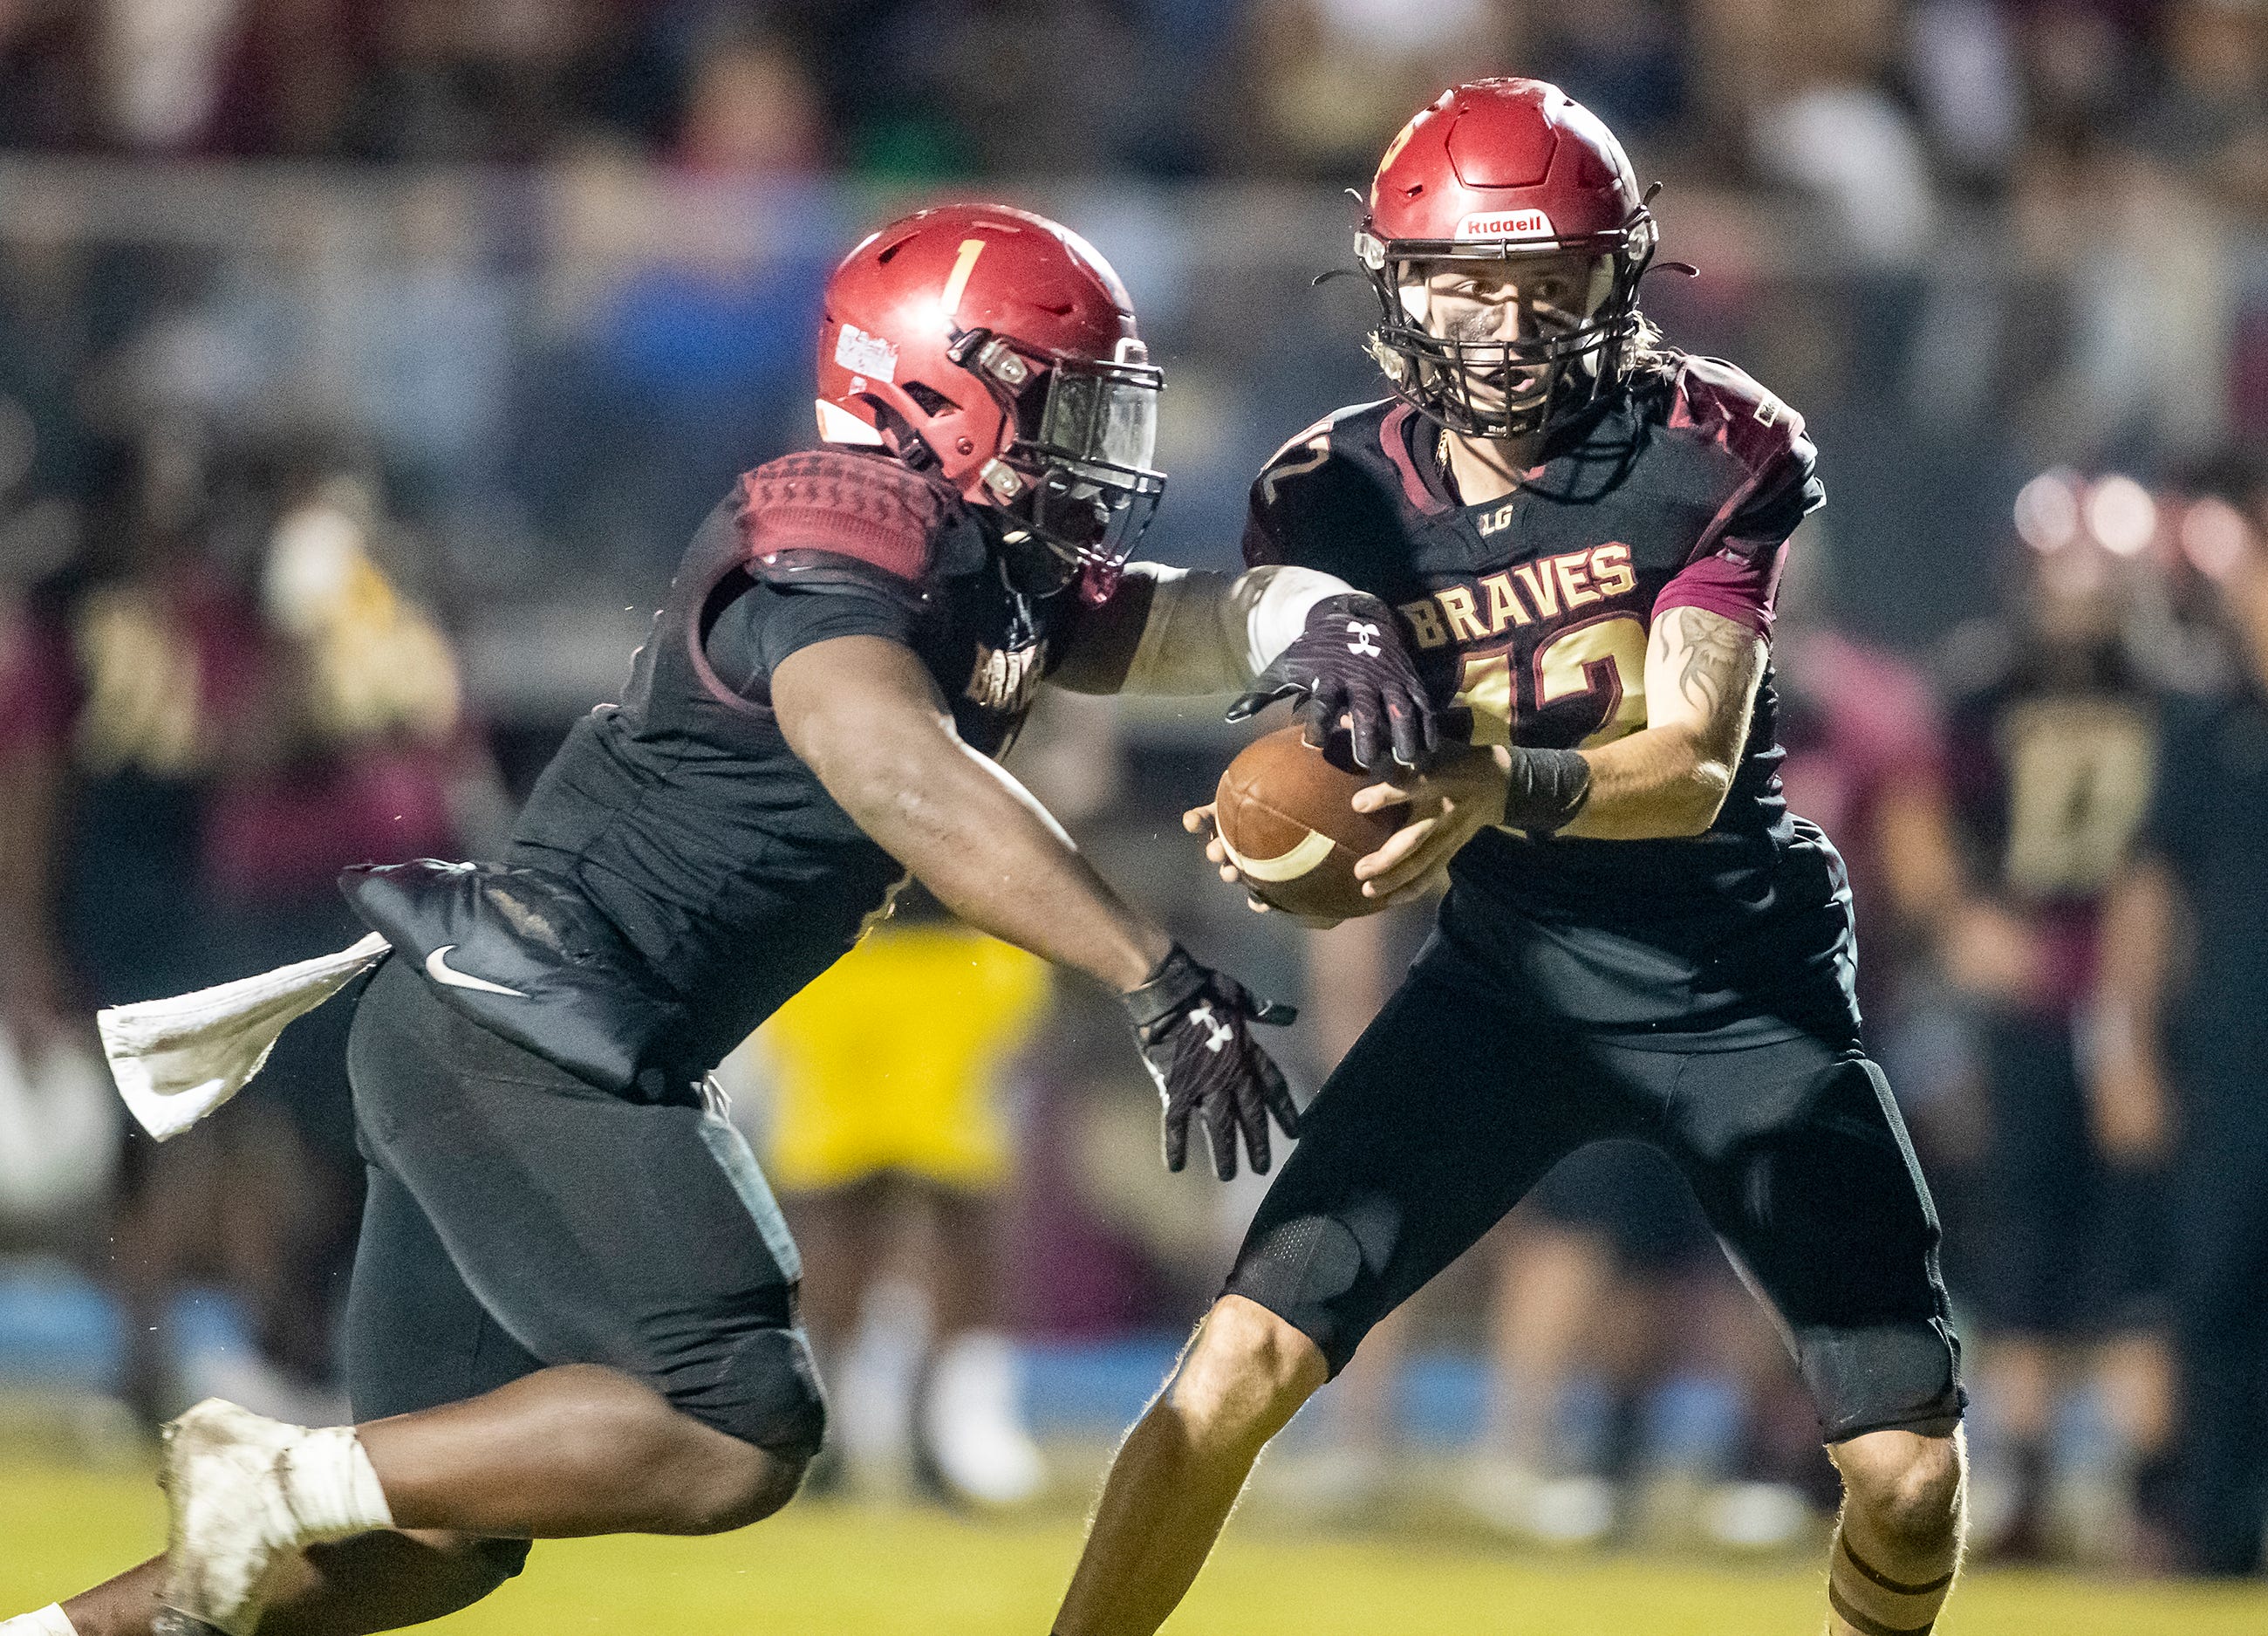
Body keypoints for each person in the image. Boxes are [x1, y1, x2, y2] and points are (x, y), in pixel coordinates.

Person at [1, 202, 1443, 1636]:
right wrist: (1154, 974)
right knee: (733, 1421)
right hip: (534, 1032)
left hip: (484, 1031)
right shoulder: (851, 520)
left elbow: (1160, 623)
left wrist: (1311, 616)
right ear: (929, 386)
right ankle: (282, 1466)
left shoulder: (977, 566)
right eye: (1060, 402)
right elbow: (885, 762)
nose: (1097, 447)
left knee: (431, 1540)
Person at [1048, 80, 1966, 1636]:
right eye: (1470, 280)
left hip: (1739, 989)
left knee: (1909, 1478)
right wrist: (1304, 843)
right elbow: (1340, 761)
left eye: (1547, 284)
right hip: (1508, 985)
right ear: (1397, 282)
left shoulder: (1707, 446)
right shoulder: (1329, 493)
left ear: (1619, 281)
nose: (1506, 324)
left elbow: (1682, 766)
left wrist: (1478, 787)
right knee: (1234, 1366)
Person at [2094, 474, 2268, 1577]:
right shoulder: (2205, 728)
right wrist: (2124, 1051)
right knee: (2214, 1286)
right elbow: (2145, 899)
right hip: (2230, 1058)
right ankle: (2209, 1534)